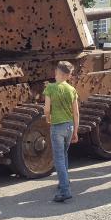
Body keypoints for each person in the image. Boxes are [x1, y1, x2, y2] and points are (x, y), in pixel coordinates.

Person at [43, 61, 79, 202]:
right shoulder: (71, 89)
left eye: (56, 72)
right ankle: (65, 181)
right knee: (64, 155)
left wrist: (47, 119)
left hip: (57, 126)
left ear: (59, 73)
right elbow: (76, 113)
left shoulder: (50, 88)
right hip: (69, 126)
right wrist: (75, 131)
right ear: (69, 76)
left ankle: (65, 190)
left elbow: (46, 109)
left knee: (58, 159)